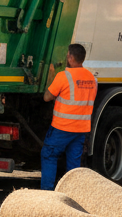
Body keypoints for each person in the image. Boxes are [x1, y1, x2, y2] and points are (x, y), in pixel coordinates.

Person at [41, 43, 96, 191]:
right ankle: (72, 193)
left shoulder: (63, 76)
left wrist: (50, 77)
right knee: (73, 163)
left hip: (62, 127)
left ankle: (47, 192)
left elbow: (47, 97)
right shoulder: (91, 78)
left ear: (71, 57)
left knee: (49, 155)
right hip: (81, 129)